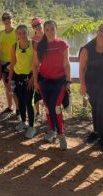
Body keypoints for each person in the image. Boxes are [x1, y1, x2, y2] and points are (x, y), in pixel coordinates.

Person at [33, 20, 71, 151]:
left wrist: (68, 81)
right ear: (44, 30)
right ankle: (52, 131)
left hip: (59, 81)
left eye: (52, 29)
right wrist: (36, 82)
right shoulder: (40, 45)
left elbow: (66, 64)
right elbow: (35, 65)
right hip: (44, 81)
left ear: (56, 29)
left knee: (55, 107)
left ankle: (61, 135)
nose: (49, 32)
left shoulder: (62, 44)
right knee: (48, 107)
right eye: (47, 29)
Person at [79, 22, 103, 151]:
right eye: (101, 30)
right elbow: (82, 68)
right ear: (97, 31)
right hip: (92, 85)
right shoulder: (86, 48)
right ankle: (95, 132)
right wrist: (82, 85)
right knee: (95, 108)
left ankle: (101, 137)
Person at [8, 25, 36, 138]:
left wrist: (33, 79)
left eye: (24, 32)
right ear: (16, 35)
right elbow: (12, 63)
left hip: (29, 77)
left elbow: (37, 64)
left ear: (28, 33)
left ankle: (32, 126)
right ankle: (23, 122)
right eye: (19, 33)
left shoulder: (34, 45)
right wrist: (10, 79)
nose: (22, 35)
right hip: (17, 77)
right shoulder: (15, 46)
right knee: (20, 101)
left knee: (29, 102)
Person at [0, 12, 19, 117]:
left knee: (13, 87)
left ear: (12, 19)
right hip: (3, 63)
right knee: (7, 86)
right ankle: (10, 107)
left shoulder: (16, 32)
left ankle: (19, 109)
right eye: (4, 18)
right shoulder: (1, 33)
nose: (6, 20)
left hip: (13, 63)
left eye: (8, 18)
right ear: (2, 21)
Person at [31, 17, 44, 122]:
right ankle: (38, 113)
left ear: (42, 23)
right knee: (37, 92)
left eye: (38, 24)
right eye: (35, 25)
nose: (37, 27)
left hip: (48, 70)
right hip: (37, 70)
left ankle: (48, 112)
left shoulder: (49, 36)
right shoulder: (32, 40)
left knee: (47, 93)